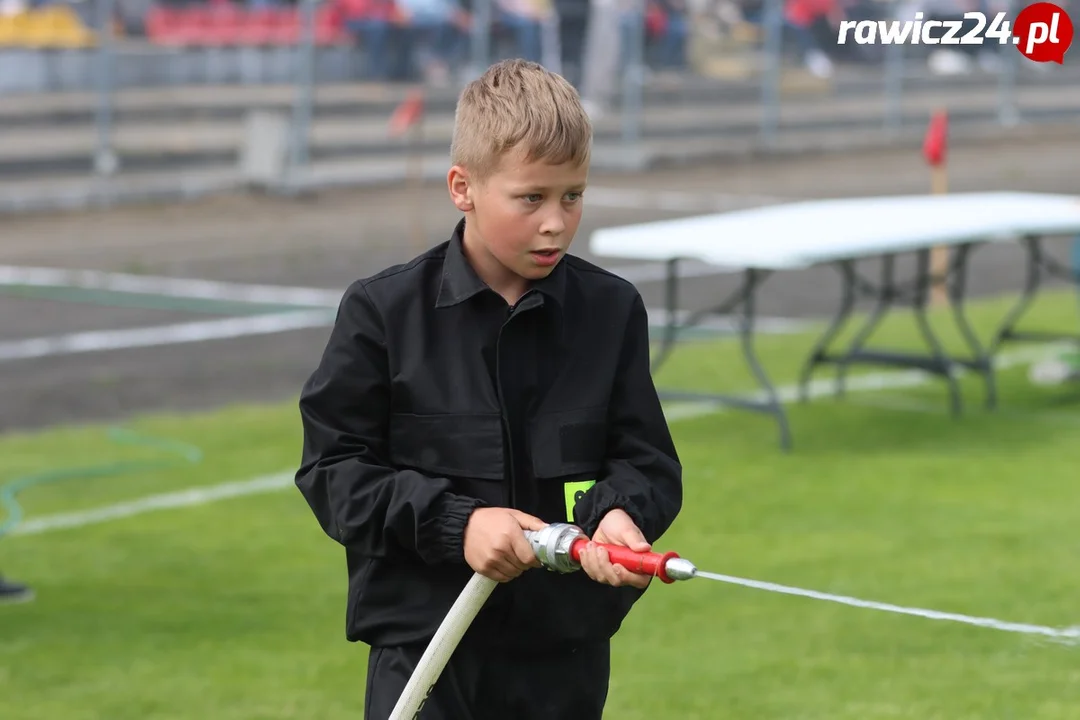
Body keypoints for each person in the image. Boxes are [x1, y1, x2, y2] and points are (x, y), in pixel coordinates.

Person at [295, 58, 683, 720]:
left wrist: (621, 512)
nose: (556, 222)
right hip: (428, 654)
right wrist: (460, 524)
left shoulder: (611, 311)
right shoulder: (383, 314)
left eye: (573, 195)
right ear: (462, 187)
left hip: (564, 660)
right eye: (531, 198)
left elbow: (646, 461)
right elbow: (335, 473)